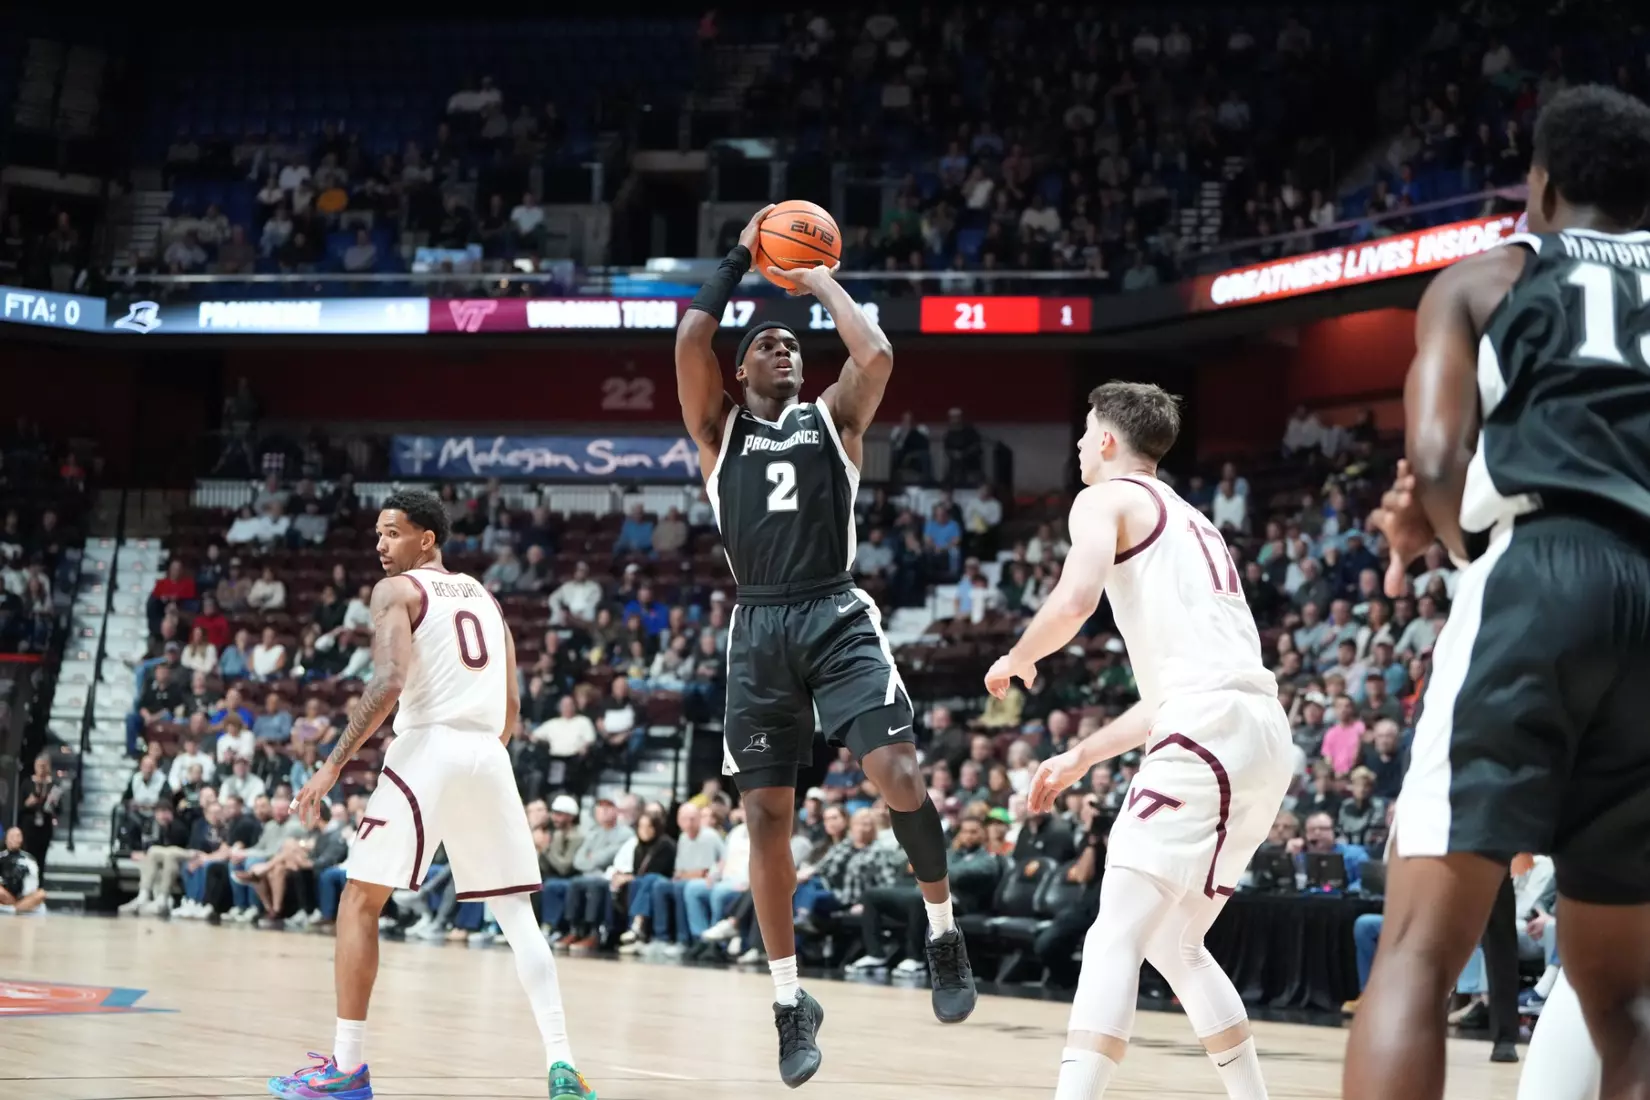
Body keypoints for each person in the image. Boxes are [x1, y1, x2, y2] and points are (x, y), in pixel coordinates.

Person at [1346, 85, 1650, 1100]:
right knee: (1632, 999)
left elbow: (1435, 455)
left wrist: (1442, 539)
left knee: (1419, 954)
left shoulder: (1486, 276)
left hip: (1541, 565)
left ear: (1543, 184)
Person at [675, 204, 976, 1088]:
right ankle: (787, 1001)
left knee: (901, 778)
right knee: (767, 818)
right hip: (758, 625)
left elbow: (876, 355)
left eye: (792, 347)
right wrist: (741, 255)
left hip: (836, 614)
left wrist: (817, 280)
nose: (785, 352)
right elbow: (693, 336)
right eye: (768, 346)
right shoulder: (717, 430)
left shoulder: (834, 420)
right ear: (742, 368)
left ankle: (943, 936)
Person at [984, 381, 1292, 1100]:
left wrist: (1020, 655)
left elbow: (1074, 599)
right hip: (1258, 738)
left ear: (1109, 442)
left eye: (1086, 433)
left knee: (1113, 934)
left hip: (1207, 730)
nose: (1080, 447)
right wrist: (1082, 754)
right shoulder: (1195, 523)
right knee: (1174, 943)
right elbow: (1171, 695)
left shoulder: (1105, 499)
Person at [268, 490, 596, 1100]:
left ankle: (346, 1068)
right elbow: (513, 705)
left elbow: (390, 679)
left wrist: (332, 765)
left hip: (430, 748)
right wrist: (481, 759)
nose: (380, 545)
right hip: (488, 755)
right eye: (376, 534)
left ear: (427, 539)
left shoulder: (396, 592)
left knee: (360, 901)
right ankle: (563, 1064)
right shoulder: (484, 596)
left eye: (391, 533)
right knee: (517, 916)